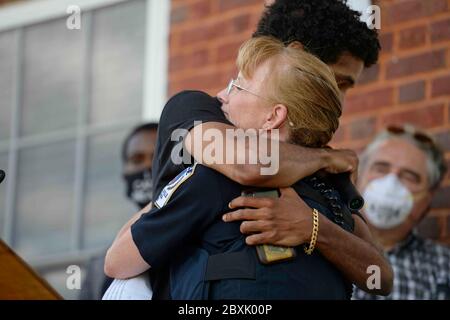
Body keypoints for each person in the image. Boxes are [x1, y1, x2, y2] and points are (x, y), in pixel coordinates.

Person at [106, 0, 392, 299]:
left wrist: (313, 227)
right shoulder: (199, 109)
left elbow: (381, 275)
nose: (339, 99)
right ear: (297, 57)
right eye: (338, 82)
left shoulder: (326, 180)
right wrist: (325, 157)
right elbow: (249, 166)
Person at [353, 124, 450, 300]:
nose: (391, 183)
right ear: (358, 176)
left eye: (409, 176)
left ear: (427, 198)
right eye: (381, 168)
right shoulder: (315, 239)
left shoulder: (444, 267)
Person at [79, 123, 158, 300]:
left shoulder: (197, 242)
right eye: (137, 160)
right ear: (124, 172)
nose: (147, 166)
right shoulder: (99, 268)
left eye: (156, 157)